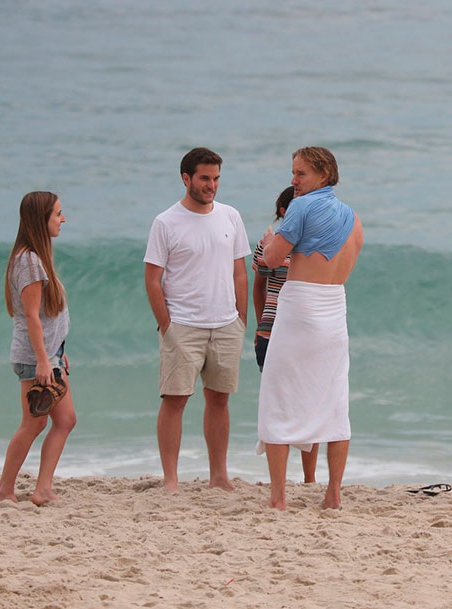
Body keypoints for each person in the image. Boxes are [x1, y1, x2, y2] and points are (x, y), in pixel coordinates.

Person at [256, 147, 364, 510]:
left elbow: (271, 260)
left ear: (323, 174)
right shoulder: (353, 217)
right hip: (336, 308)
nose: (294, 180)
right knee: (334, 400)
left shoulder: (302, 207)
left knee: (279, 397)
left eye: (300, 173)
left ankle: (278, 498)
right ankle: (332, 493)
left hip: (300, 307)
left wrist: (272, 238)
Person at [144, 147, 249, 494]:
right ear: (186, 178)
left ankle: (218, 474)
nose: (212, 185)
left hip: (225, 323)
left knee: (220, 399)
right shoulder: (166, 222)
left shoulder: (231, 216)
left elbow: (239, 272)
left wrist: (241, 318)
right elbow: (152, 278)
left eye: (216, 178)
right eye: (205, 178)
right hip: (183, 326)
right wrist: (166, 325)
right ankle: (171, 479)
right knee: (175, 400)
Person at [0, 191, 76, 506]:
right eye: (57, 213)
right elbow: (30, 316)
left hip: (50, 355)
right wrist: (44, 360)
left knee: (65, 420)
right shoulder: (29, 260)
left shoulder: (36, 257)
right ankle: (4, 488)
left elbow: (46, 315)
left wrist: (58, 350)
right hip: (35, 358)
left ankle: (42, 489)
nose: (63, 219)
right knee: (34, 422)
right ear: (41, 219)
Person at [252, 186, 319, 484]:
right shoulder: (267, 245)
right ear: (283, 212)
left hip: (305, 332)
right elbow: (258, 286)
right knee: (278, 404)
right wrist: (259, 323)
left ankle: (309, 478)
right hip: (271, 330)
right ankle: (279, 479)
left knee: (310, 403)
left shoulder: (314, 246)